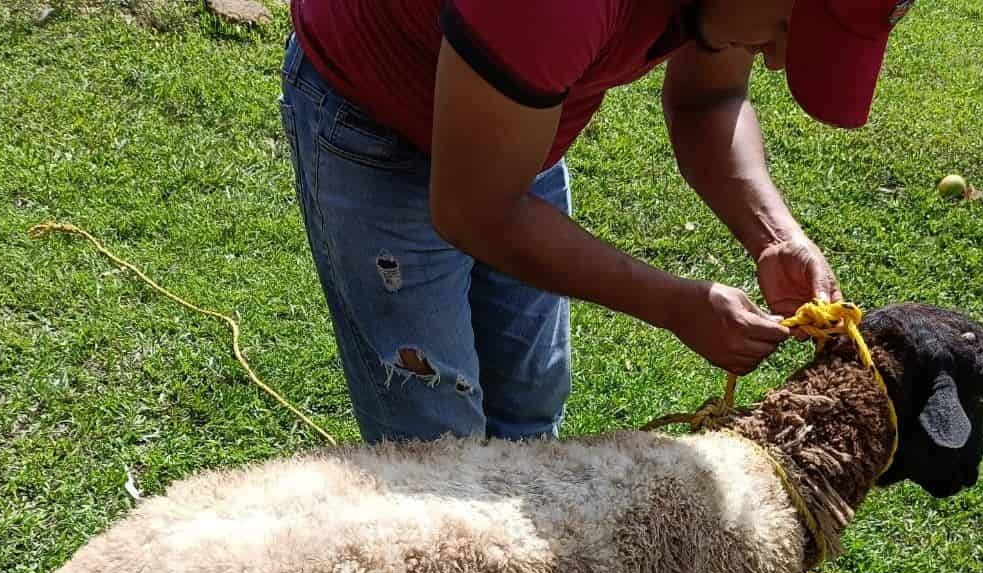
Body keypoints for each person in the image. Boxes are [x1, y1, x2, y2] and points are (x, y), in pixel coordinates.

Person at [278, 0, 914, 443]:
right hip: (377, 127)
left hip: (519, 122)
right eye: (783, 26)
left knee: (529, 400)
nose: (776, 60)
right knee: (434, 440)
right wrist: (674, 305)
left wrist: (777, 237)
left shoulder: (729, 8)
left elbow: (709, 96)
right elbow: (474, 208)